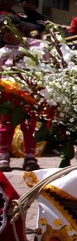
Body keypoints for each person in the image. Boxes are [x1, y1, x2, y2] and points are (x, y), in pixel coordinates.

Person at [0, 17, 41, 171]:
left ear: (20, 29)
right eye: (4, 33)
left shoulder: (32, 48)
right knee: (6, 126)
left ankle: (30, 156)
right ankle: (3, 156)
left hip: (27, 93)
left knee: (29, 126)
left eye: (11, 31)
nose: (8, 35)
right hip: (8, 94)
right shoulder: (3, 53)